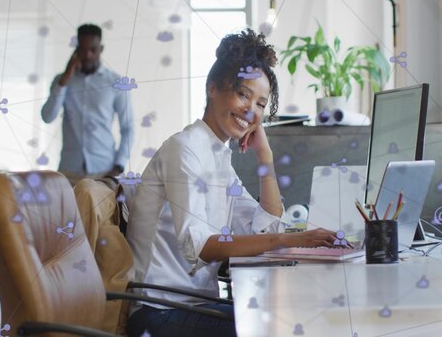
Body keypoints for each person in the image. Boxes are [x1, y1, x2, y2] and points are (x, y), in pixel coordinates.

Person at [126, 29, 344, 337]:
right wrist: (290, 240)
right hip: (158, 313)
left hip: (194, 304)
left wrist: (265, 156)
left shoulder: (217, 154)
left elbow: (264, 226)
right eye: (243, 94)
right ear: (213, 88)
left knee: (290, 313)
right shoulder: (185, 148)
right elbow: (199, 246)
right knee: (282, 325)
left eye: (260, 103)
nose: (250, 110)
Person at [41, 24, 134, 178]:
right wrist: (64, 81)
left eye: (93, 49)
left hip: (104, 170)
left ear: (101, 49)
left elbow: (128, 128)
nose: (88, 55)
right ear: (76, 49)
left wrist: (119, 166)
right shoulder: (62, 80)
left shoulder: (116, 83)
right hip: (69, 170)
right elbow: (47, 116)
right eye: (83, 49)